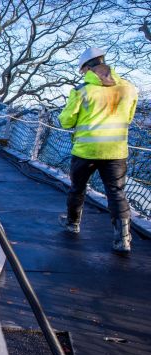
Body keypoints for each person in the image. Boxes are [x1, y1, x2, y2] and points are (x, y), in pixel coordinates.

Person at [58, 47, 138, 255]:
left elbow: (66, 121)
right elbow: (128, 118)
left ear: (88, 68)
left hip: (86, 150)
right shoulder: (129, 89)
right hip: (116, 151)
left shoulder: (82, 90)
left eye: (83, 71)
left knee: (77, 188)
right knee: (116, 193)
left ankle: (72, 224)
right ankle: (123, 240)